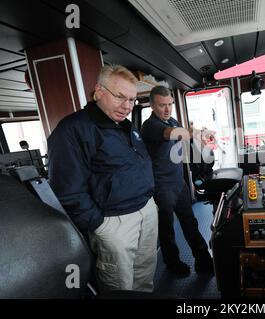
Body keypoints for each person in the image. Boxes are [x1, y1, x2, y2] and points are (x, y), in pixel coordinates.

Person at [47, 65, 158, 292]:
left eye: (132, 100)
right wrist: (100, 225)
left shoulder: (126, 126)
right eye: (120, 97)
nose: (127, 106)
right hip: (114, 222)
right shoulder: (72, 129)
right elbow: (67, 190)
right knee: (119, 286)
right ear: (99, 91)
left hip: (146, 210)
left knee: (145, 274)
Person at [141, 85, 214, 276]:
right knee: (167, 230)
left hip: (179, 183)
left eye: (170, 104)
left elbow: (180, 140)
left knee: (191, 223)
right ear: (152, 106)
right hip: (162, 188)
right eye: (162, 105)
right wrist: (195, 132)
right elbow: (170, 134)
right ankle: (173, 264)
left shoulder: (171, 120)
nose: (167, 109)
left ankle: (204, 261)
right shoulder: (150, 126)